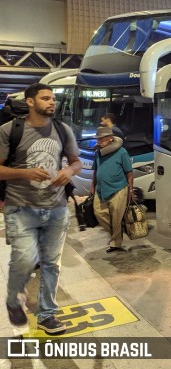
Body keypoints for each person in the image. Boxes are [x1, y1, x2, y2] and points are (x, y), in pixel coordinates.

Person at [0, 82, 81, 335]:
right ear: (31, 102)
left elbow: (76, 162)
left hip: (56, 208)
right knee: (24, 260)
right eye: (45, 98)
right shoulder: (8, 131)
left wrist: (67, 171)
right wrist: (25, 172)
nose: (51, 102)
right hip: (20, 207)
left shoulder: (62, 129)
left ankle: (47, 314)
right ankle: (13, 299)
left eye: (53, 99)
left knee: (51, 264)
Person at [91, 126, 133, 253]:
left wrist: (130, 190)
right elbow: (96, 170)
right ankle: (117, 232)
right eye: (97, 139)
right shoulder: (98, 153)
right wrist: (93, 186)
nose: (98, 141)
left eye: (101, 139)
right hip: (101, 188)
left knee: (116, 216)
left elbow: (129, 173)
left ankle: (116, 243)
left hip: (119, 188)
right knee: (98, 212)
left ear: (110, 139)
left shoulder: (121, 152)